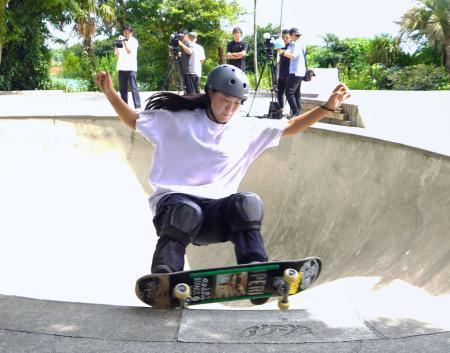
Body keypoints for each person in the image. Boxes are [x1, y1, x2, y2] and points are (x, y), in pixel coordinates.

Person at [95, 65, 349, 304]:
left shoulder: (247, 129)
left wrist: (327, 108)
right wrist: (110, 93)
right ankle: (164, 275)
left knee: (247, 202)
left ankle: (255, 271)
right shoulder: (175, 120)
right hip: (173, 208)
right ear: (211, 93)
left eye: (237, 104)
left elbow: (291, 126)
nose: (230, 108)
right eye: (225, 101)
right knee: (186, 211)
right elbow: (133, 120)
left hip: (216, 216)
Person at [278, 28, 306, 116]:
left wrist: (282, 53)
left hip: (296, 72)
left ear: (293, 34)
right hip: (298, 72)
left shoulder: (297, 44)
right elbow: (288, 52)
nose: (289, 37)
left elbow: (293, 56)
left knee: (288, 92)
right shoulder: (297, 44)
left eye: (289, 36)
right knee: (296, 93)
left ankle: (295, 111)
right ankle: (298, 112)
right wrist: (281, 50)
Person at [115, 24, 141, 110]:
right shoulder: (121, 41)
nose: (125, 34)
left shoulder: (134, 41)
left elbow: (129, 51)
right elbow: (117, 55)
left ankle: (138, 107)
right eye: (124, 33)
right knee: (123, 90)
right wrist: (117, 44)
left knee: (134, 88)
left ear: (131, 33)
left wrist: (124, 42)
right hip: (121, 68)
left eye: (127, 33)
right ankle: (124, 108)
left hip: (131, 68)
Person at [276, 30, 291, 115]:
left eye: (287, 37)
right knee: (279, 92)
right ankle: (281, 109)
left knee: (289, 93)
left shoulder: (291, 46)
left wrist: (282, 52)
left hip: (289, 73)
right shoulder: (281, 46)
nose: (285, 39)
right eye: (283, 37)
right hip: (281, 72)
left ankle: (292, 112)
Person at [178, 29, 196, 95]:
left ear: (187, 36)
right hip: (185, 72)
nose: (181, 38)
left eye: (183, 36)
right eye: (180, 37)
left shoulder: (189, 43)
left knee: (191, 94)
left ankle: (193, 105)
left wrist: (181, 45)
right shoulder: (184, 44)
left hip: (190, 72)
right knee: (187, 93)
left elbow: (190, 51)